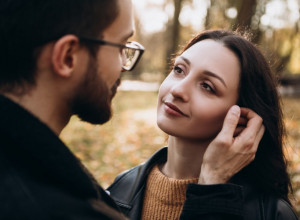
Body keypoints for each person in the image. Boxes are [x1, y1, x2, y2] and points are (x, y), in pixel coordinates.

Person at [0, 0, 265, 219]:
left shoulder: (268, 211)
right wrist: (212, 194)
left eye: (207, 86)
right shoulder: (62, 205)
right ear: (68, 56)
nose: (178, 90)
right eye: (120, 46)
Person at [108, 29, 299, 220]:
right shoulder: (118, 191)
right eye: (179, 70)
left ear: (242, 117)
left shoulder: (272, 214)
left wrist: (212, 189)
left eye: (207, 86)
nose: (177, 90)